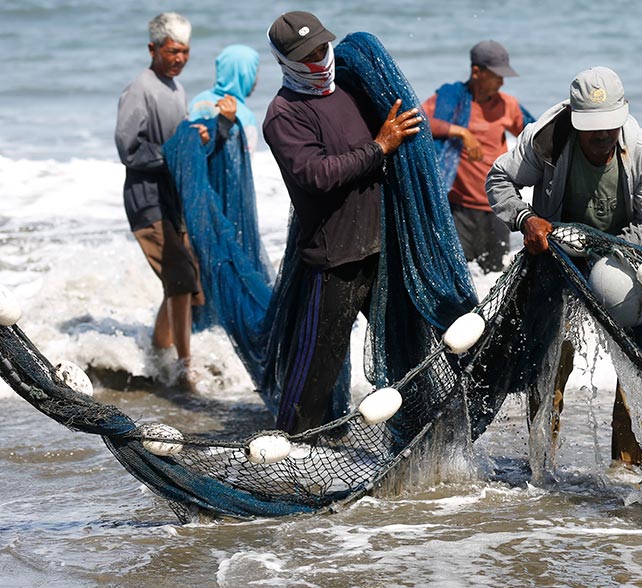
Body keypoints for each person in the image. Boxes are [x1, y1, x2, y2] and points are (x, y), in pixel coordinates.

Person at [486, 66, 642, 468]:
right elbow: (499, 179)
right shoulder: (545, 140)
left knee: (635, 372)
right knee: (549, 360)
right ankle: (540, 463)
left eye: (610, 127)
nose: (603, 136)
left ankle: (626, 469)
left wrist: (599, 249)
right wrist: (525, 219)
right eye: (593, 129)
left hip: (628, 264)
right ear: (574, 119)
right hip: (559, 264)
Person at [262, 11, 422, 434]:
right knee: (315, 368)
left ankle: (417, 436)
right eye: (306, 54)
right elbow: (317, 175)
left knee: (407, 351)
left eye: (320, 47)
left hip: (380, 251)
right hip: (335, 259)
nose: (318, 58)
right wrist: (379, 147)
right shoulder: (284, 114)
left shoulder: (347, 90)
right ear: (285, 60)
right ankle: (287, 452)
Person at [115, 12, 235, 390]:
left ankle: (158, 355)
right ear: (153, 48)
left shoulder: (175, 89)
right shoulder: (140, 88)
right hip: (146, 200)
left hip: (172, 200)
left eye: (185, 51)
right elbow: (128, 149)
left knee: (182, 279)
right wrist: (177, 148)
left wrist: (203, 134)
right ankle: (185, 371)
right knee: (181, 279)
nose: (180, 58)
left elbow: (175, 143)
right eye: (172, 51)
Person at [422, 40, 530, 272]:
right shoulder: (450, 99)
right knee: (456, 274)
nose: (502, 82)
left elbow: (535, 135)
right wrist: (460, 132)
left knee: (494, 278)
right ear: (476, 72)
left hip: (498, 208)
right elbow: (419, 120)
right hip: (458, 209)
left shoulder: (507, 105)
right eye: (496, 75)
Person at [189, 44, 261, 151]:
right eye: (254, 72)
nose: (257, 79)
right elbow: (245, 162)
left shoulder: (196, 101)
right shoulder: (246, 117)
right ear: (245, 74)